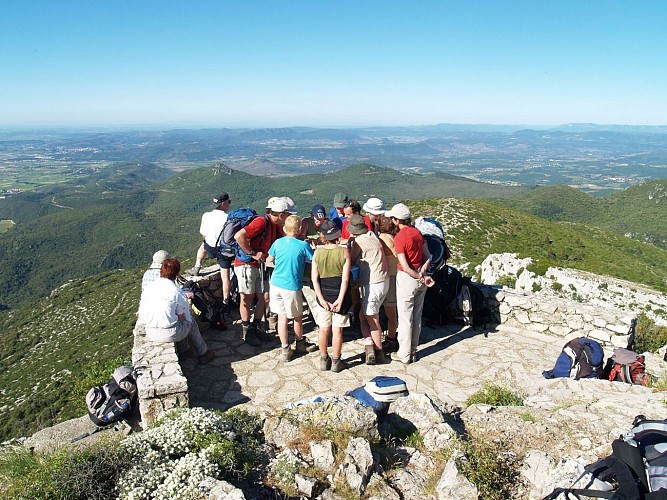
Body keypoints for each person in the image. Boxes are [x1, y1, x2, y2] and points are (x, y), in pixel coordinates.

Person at [234, 197, 290, 346]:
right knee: (247, 298)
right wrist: (253, 253)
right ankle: (247, 330)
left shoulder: (274, 224)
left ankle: (256, 327)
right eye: (287, 214)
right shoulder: (262, 222)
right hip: (246, 264)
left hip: (260, 265)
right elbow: (239, 236)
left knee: (265, 297)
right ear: (281, 215)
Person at [138, 258, 215, 364]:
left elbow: (142, 313)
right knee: (190, 321)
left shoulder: (149, 289)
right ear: (176, 274)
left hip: (151, 331)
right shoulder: (176, 292)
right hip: (169, 333)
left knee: (178, 320)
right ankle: (203, 353)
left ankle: (185, 351)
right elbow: (183, 317)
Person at [384, 203, 433, 364]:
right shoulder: (417, 233)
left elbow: (404, 266)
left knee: (405, 318)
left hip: (407, 279)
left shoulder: (400, 238)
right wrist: (423, 274)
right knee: (416, 316)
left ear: (397, 220)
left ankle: (404, 354)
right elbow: (428, 256)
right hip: (421, 276)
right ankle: (413, 350)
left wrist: (417, 276)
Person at [267, 215, 317, 361]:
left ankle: (285, 349)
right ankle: (299, 343)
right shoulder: (302, 245)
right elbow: (314, 260)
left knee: (282, 318)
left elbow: (270, 259)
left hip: (275, 284)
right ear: (300, 229)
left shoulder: (277, 243)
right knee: (297, 317)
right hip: (291, 286)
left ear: (284, 229)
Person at [310, 220, 352, 372]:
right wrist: (340, 299)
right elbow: (345, 279)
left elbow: (314, 278)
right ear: (338, 235)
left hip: (324, 294)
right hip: (339, 294)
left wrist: (321, 300)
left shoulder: (318, 252)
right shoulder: (344, 251)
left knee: (323, 329)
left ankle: (323, 359)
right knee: (338, 330)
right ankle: (336, 361)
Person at [348, 214, 389, 364]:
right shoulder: (373, 236)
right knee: (363, 315)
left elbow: (350, 260)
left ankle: (378, 352)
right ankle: (369, 347)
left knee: (372, 319)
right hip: (383, 281)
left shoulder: (359, 242)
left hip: (372, 283)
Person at [188, 192, 234, 308]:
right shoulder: (228, 218)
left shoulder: (206, 215)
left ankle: (197, 266)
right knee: (225, 277)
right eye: (229, 202)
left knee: (202, 246)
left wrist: (210, 242)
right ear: (223, 203)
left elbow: (203, 233)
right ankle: (226, 301)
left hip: (210, 246)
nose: (229, 204)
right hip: (224, 250)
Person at [376, 216, 399, 352]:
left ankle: (391, 339)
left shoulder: (382, 240)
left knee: (391, 312)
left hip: (389, 276)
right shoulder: (395, 238)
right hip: (398, 275)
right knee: (395, 310)